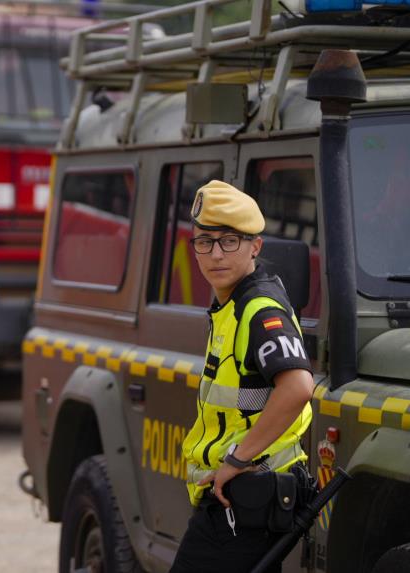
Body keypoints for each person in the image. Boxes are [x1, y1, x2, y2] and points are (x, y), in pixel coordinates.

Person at [170, 180, 314, 573]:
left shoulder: (258, 307)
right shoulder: (231, 305)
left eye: (230, 241)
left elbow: (299, 386)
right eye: (205, 241)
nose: (215, 254)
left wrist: (237, 459)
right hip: (243, 498)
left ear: (256, 246)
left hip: (248, 496)